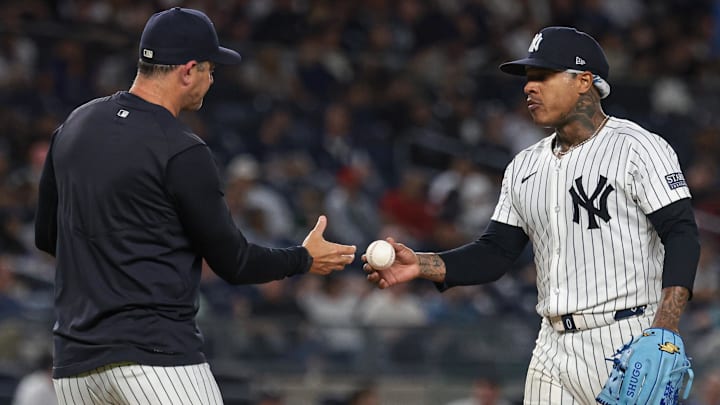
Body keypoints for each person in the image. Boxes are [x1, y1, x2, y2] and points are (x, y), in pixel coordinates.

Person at [34, 7, 356, 405]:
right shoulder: (181, 148)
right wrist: (303, 258)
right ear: (187, 71)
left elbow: (47, 236)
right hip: (157, 362)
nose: (212, 78)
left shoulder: (74, 125)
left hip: (75, 367)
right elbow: (234, 262)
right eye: (209, 68)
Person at [364, 26, 700, 404]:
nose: (529, 87)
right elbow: (495, 253)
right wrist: (420, 265)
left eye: (543, 76)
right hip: (551, 346)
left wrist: (667, 326)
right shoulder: (524, 166)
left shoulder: (639, 148)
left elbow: (681, 233)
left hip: (626, 338)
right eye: (528, 78)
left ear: (584, 81)